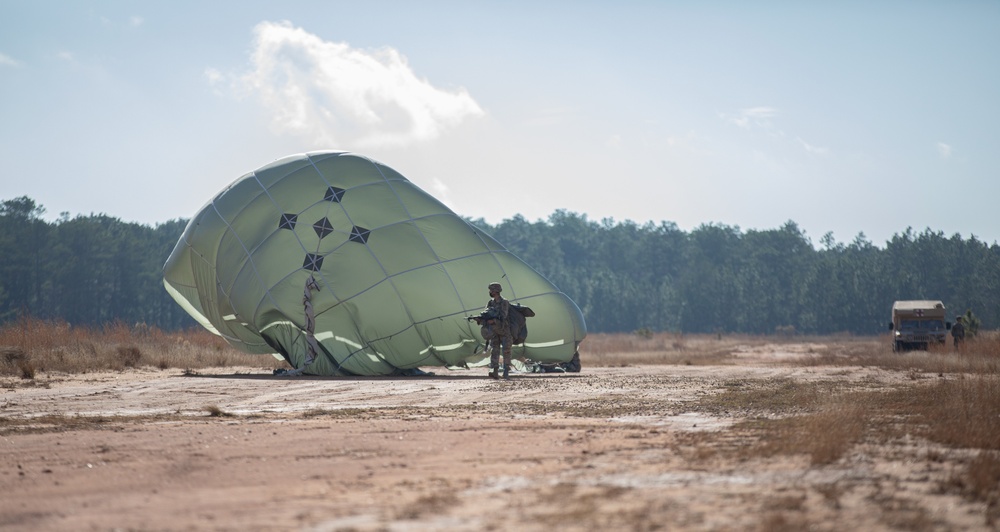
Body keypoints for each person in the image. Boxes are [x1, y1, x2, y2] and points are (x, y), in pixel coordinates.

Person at [479, 282, 513, 379]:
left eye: (491, 290)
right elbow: (486, 313)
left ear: (496, 291)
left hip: (504, 330)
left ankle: (506, 371)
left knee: (506, 350)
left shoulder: (504, 302)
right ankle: (495, 371)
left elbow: (504, 315)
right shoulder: (490, 303)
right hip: (494, 331)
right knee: (495, 350)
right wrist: (481, 319)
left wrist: (493, 320)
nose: (490, 292)